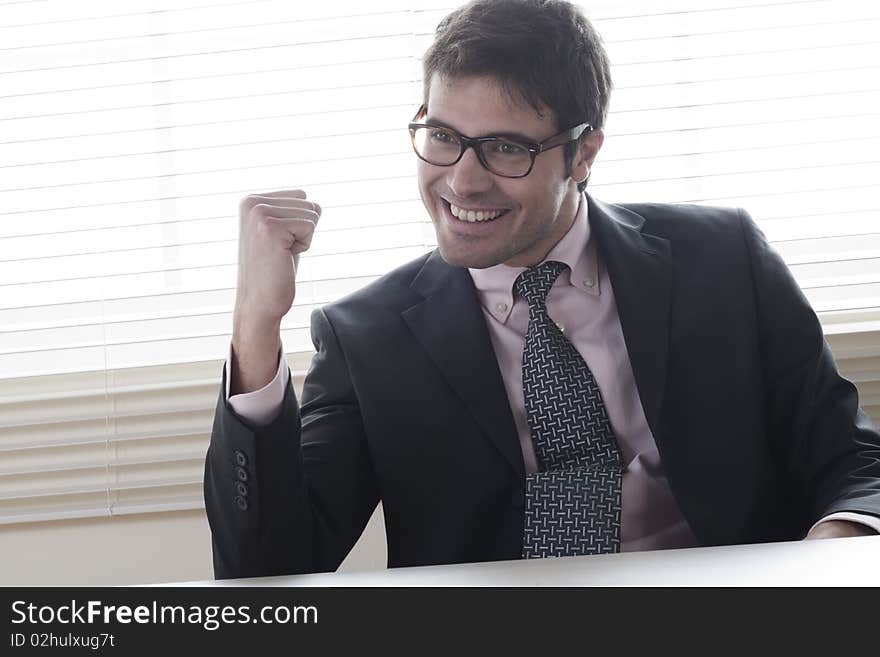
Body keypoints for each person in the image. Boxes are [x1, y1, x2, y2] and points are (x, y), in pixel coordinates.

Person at [204, 0, 880, 579]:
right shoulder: (367, 337)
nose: (462, 182)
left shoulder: (723, 260)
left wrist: (828, 563)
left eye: (504, 148)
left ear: (583, 154)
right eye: (443, 136)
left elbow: (851, 461)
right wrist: (255, 329)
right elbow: (268, 574)